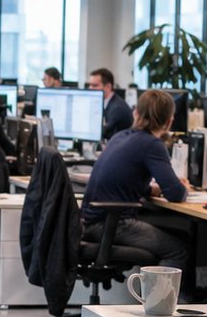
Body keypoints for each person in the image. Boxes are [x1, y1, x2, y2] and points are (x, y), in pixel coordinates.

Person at [80, 88, 191, 270]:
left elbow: (120, 180)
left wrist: (151, 190)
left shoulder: (120, 136)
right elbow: (176, 195)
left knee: (183, 236)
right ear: (169, 121)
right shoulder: (153, 144)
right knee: (177, 250)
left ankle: (157, 293)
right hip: (109, 225)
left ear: (136, 113)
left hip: (89, 223)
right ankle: (157, 299)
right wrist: (184, 186)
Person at [88, 67, 133, 141]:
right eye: (90, 85)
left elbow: (100, 133)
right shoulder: (106, 103)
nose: (90, 88)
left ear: (108, 86)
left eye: (94, 85)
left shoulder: (118, 108)